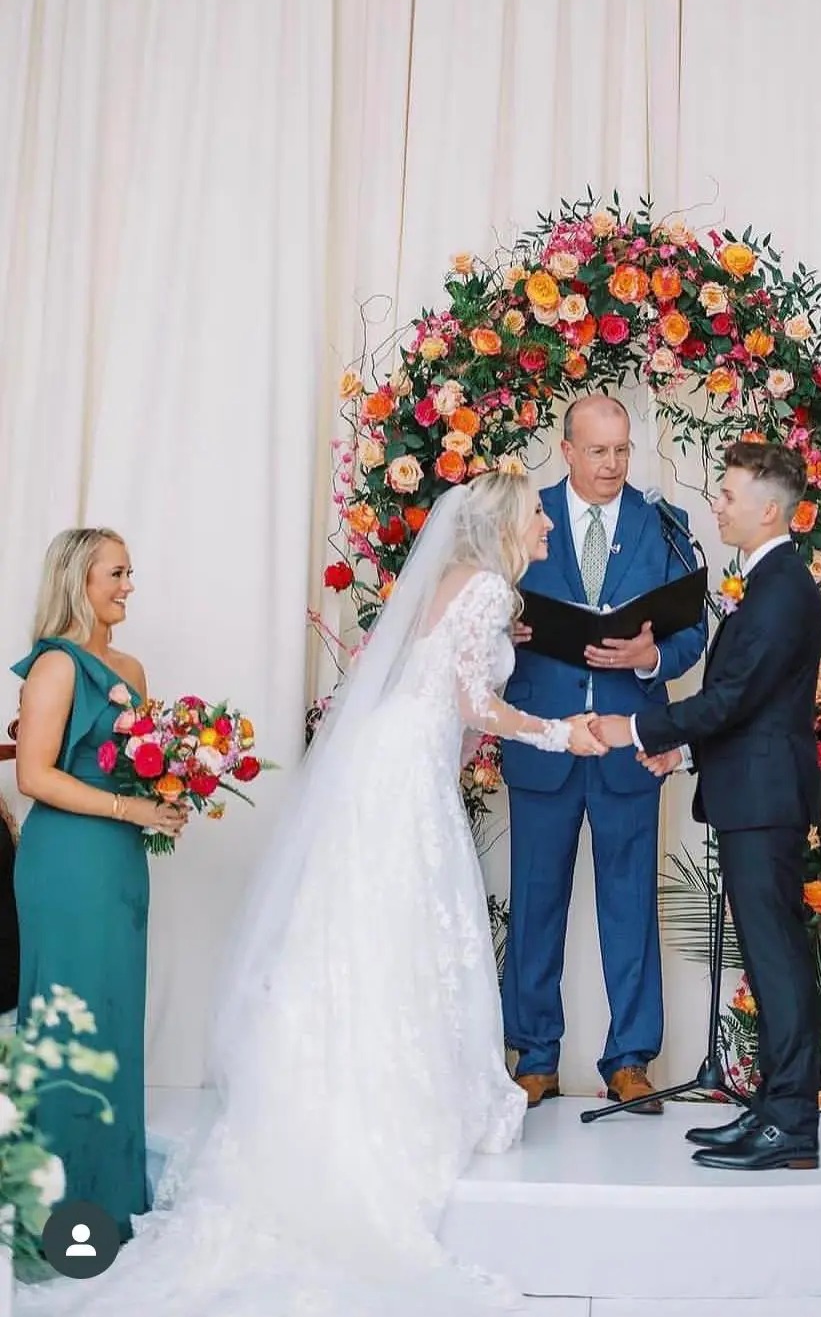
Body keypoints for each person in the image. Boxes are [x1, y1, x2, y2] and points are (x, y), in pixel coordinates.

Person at [16, 472, 606, 1317]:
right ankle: (393, 1099)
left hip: (392, 756)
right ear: (509, 522)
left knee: (370, 925)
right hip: (408, 770)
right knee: (407, 924)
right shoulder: (484, 586)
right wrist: (561, 733)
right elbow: (474, 702)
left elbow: (435, 685)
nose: (548, 529)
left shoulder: (457, 583)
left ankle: (338, 1084)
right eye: (540, 520)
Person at [591, 441, 821, 1171]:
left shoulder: (782, 586)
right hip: (750, 793)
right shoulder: (769, 581)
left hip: (763, 802)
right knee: (768, 955)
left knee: (777, 959)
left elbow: (732, 697)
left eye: (727, 494)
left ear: (768, 508)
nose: (716, 504)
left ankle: (791, 1122)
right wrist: (683, 751)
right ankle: (776, 1111)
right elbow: (749, 708)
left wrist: (634, 727)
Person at [501, 394, 706, 1111]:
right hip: (541, 742)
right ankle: (532, 1054)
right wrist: (506, 634)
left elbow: (692, 632)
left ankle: (629, 1059)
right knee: (534, 902)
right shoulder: (521, 518)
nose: (612, 464)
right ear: (566, 450)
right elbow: (476, 612)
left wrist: (653, 656)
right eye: (598, 451)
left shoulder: (664, 526)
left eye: (621, 450)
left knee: (629, 903)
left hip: (627, 745)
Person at [12, 528, 187, 1241]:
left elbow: (136, 765)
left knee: (112, 1017)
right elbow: (34, 775)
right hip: (67, 865)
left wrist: (172, 794)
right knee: (66, 1022)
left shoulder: (132, 668)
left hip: (119, 862)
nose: (128, 585)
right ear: (79, 579)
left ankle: (109, 1199)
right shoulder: (56, 666)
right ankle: (53, 1206)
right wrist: (131, 807)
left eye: (130, 572)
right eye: (116, 572)